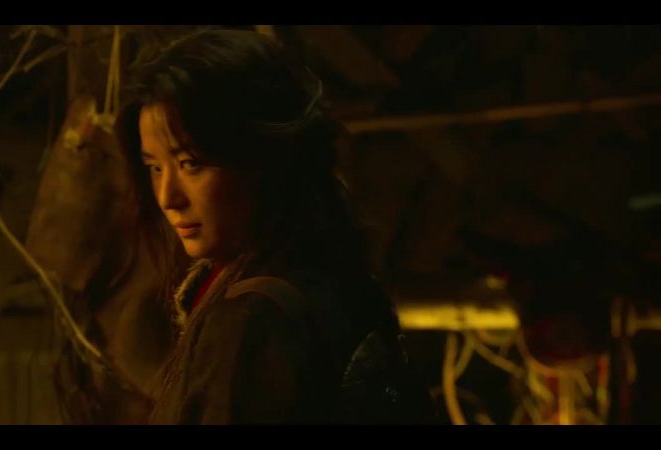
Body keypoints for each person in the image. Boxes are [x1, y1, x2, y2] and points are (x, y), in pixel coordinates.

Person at [109, 28, 435, 424]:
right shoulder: (344, 282)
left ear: (261, 159)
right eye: (155, 168)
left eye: (190, 164)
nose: (167, 197)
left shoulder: (255, 321)